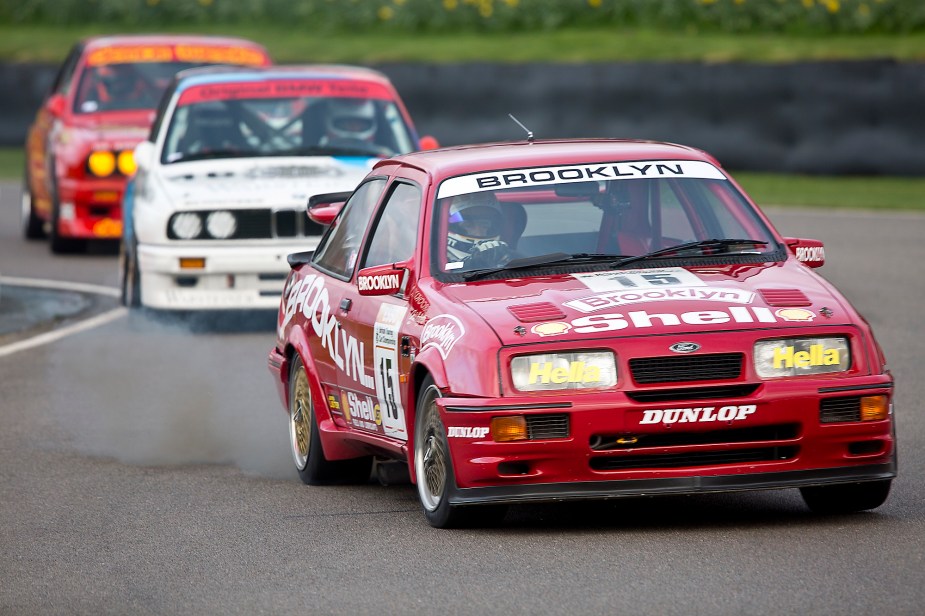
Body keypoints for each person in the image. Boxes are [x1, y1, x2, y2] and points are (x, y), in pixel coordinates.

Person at [445, 192, 515, 269]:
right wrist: (470, 264)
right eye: (468, 226)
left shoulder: (506, 256)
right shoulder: (437, 262)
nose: (479, 233)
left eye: (484, 224)